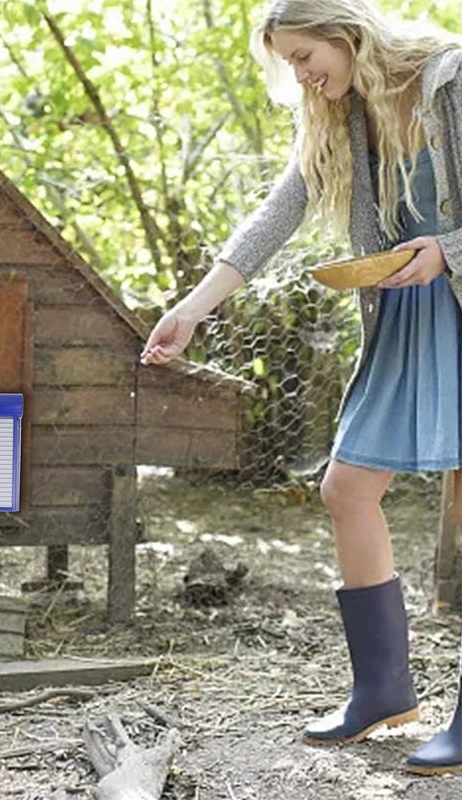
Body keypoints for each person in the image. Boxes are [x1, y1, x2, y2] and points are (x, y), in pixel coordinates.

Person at [140, 0, 462, 774]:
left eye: (303, 55)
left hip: (452, 290)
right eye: (289, 62)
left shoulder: (450, 79)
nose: (301, 75)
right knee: (347, 489)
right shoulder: (343, 114)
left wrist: (447, 250)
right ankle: (383, 689)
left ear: (345, 33)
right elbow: (279, 210)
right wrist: (190, 310)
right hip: (405, 313)